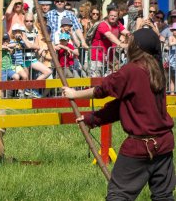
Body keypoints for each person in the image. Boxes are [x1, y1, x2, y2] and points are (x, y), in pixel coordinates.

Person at [63, 30, 175, 200]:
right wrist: (92, 118)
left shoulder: (131, 70)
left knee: (118, 196)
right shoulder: (156, 69)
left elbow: (103, 89)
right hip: (164, 143)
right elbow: (123, 106)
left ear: (136, 46)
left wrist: (74, 94)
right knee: (163, 196)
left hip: (140, 146)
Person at [90, 7, 130, 77]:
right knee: (96, 81)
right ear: (108, 15)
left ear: (117, 17)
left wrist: (133, 37)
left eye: (115, 16)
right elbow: (109, 35)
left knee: (107, 82)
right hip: (98, 57)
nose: (113, 17)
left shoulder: (117, 24)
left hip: (109, 58)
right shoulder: (102, 24)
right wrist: (121, 44)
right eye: (111, 15)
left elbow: (126, 32)